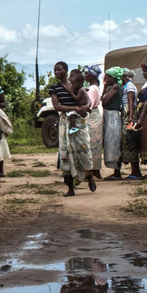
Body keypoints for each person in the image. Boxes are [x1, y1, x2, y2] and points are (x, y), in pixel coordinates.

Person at [50, 64, 96, 195]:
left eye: (60, 69)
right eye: (55, 70)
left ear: (66, 70)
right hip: (66, 123)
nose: (57, 72)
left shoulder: (77, 84)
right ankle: (70, 188)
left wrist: (84, 108)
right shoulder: (54, 88)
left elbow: (88, 102)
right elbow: (56, 106)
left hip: (79, 123)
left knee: (83, 149)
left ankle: (89, 176)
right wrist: (74, 109)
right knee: (67, 152)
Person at [101, 68, 125, 180]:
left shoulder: (115, 87)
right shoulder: (114, 87)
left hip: (113, 117)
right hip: (110, 116)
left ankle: (117, 172)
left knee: (114, 143)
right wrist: (105, 88)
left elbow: (105, 102)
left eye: (108, 77)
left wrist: (105, 90)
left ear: (114, 78)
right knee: (112, 142)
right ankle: (116, 171)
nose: (105, 79)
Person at [83, 65, 104, 180]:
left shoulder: (92, 89)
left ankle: (91, 170)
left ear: (92, 75)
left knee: (90, 145)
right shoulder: (95, 87)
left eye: (87, 74)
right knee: (96, 145)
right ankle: (96, 170)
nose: (85, 76)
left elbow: (88, 105)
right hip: (96, 116)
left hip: (91, 117)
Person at [119, 69, 141, 178]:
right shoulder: (128, 85)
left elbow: (131, 102)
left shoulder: (130, 86)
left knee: (130, 140)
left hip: (129, 114)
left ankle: (135, 171)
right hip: (128, 113)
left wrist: (131, 118)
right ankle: (134, 171)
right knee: (128, 141)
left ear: (124, 77)